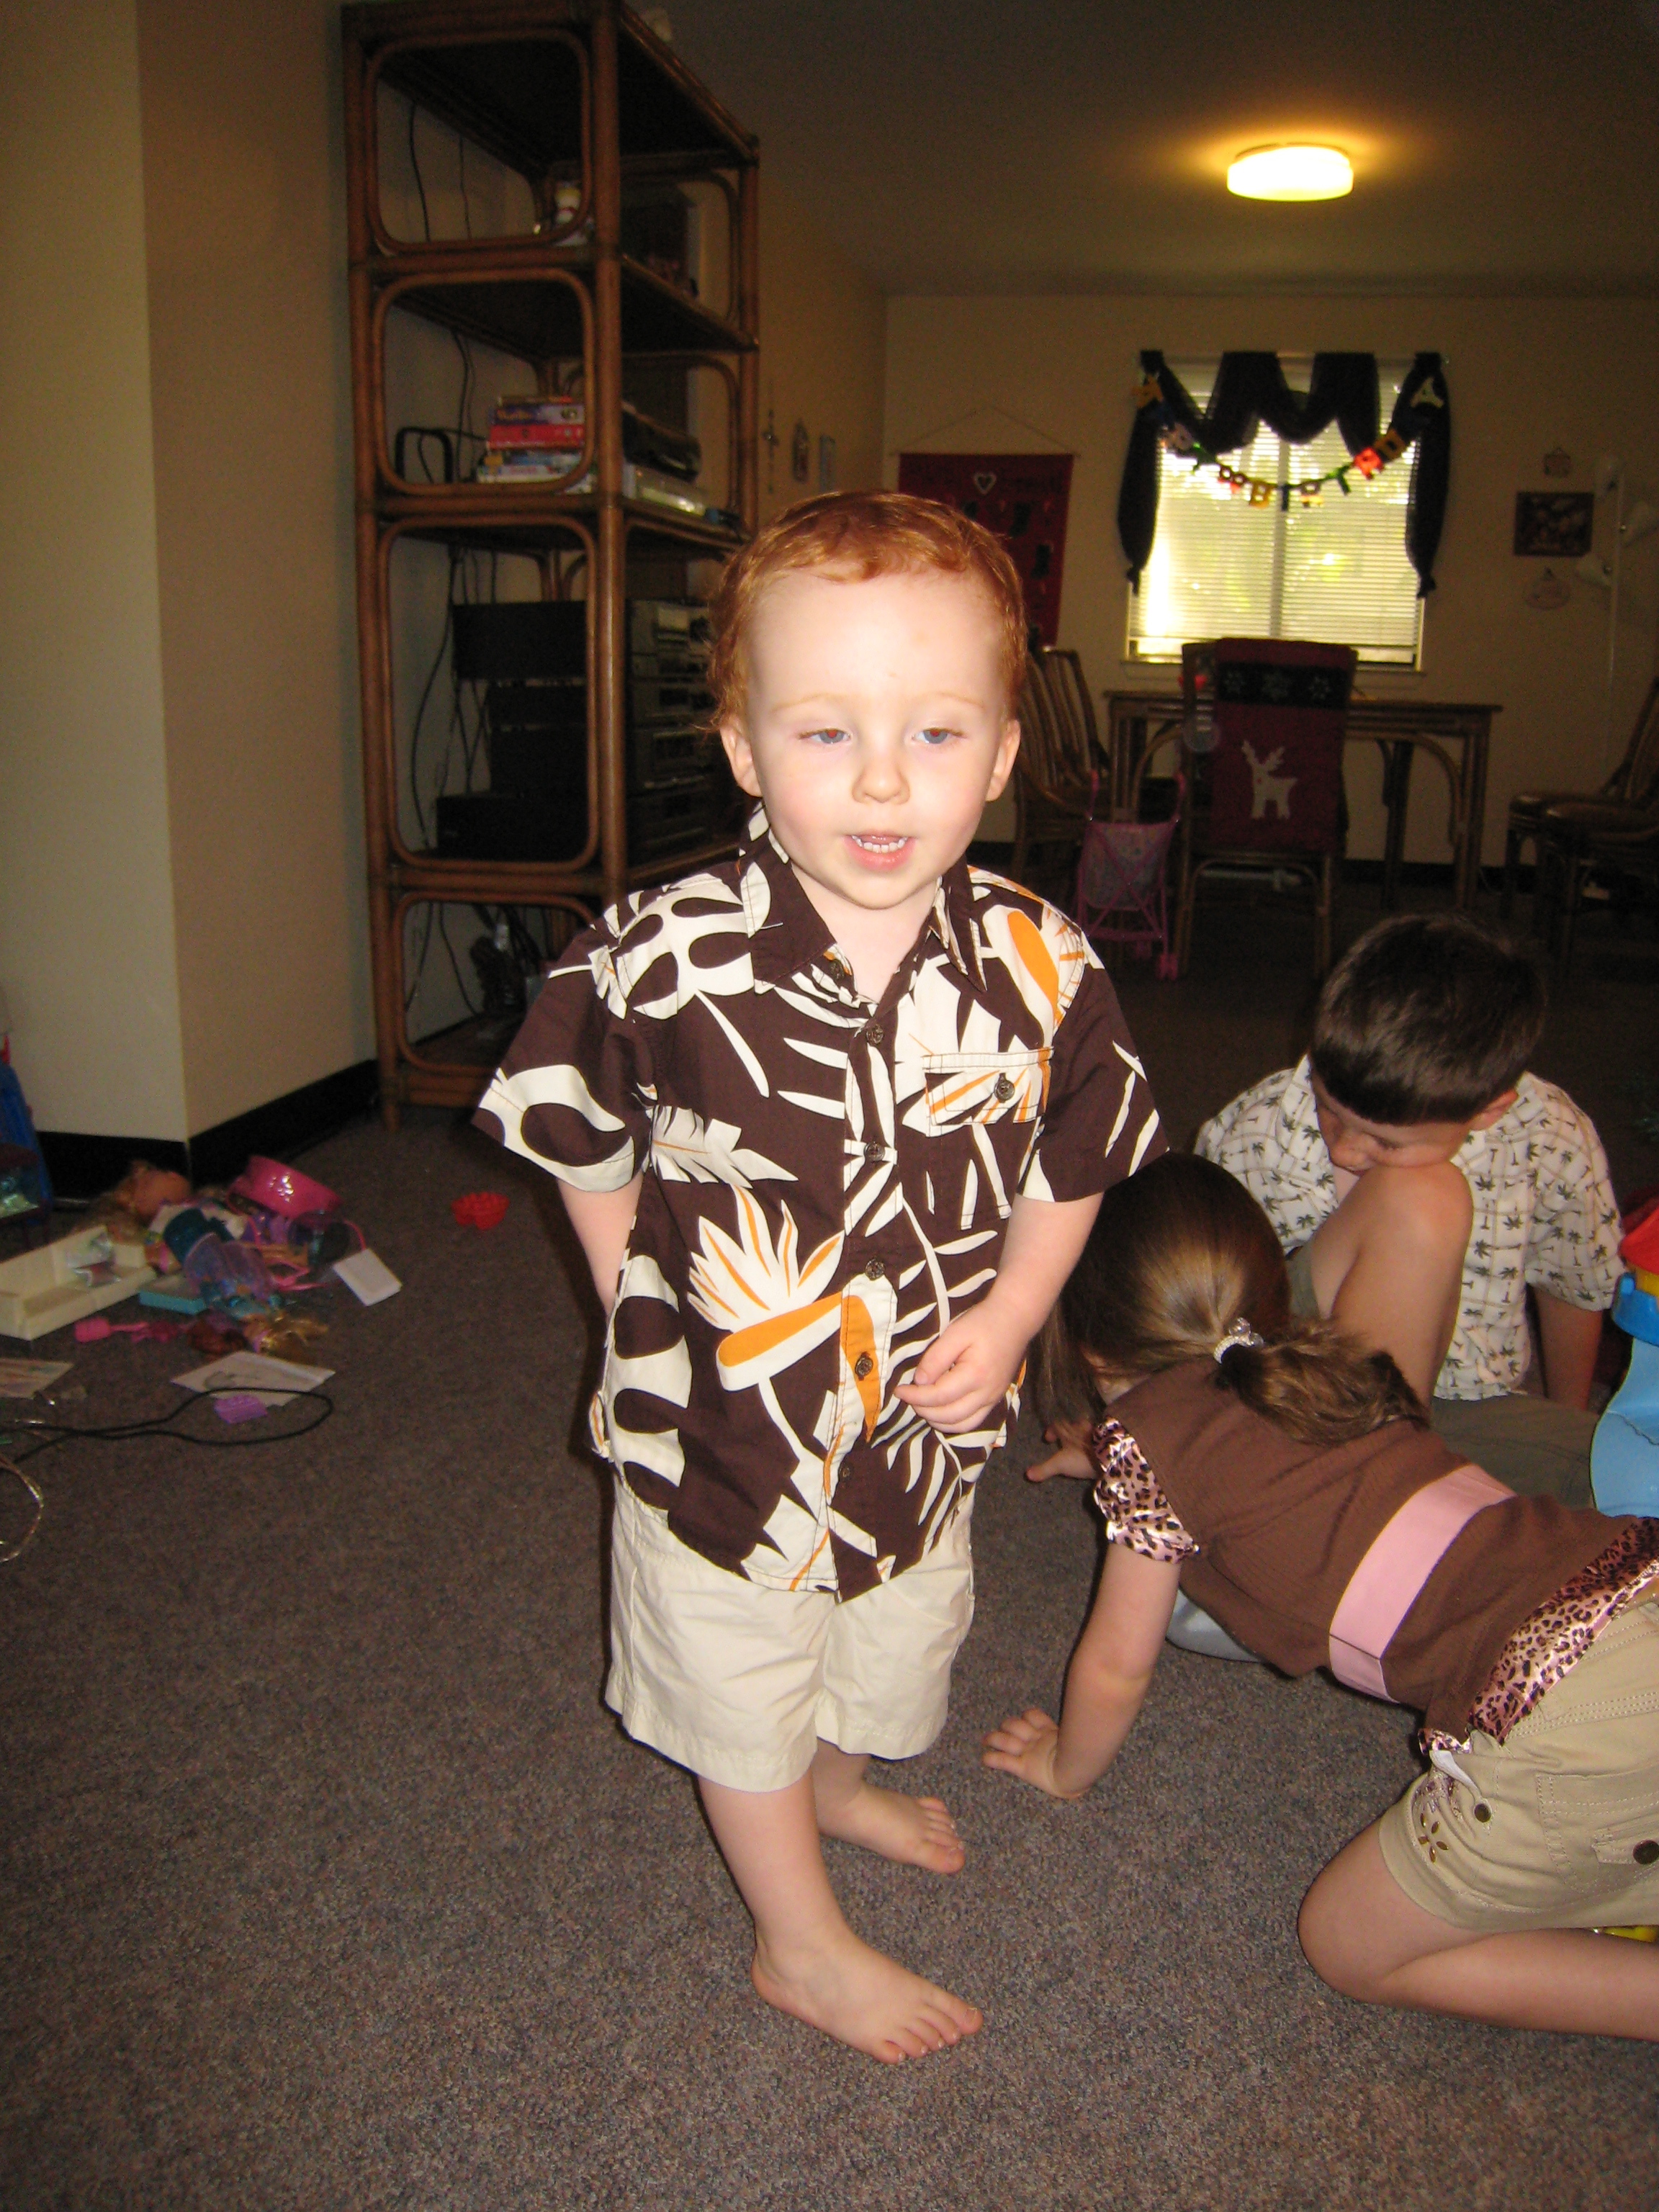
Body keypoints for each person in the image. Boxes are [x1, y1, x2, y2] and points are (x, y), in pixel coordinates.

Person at [474, 492, 1162, 2063]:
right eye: (824, 730)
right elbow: (578, 1131)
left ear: (1001, 755)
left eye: (934, 733)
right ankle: (796, 1941)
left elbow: (1074, 1158)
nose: (879, 779)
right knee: (738, 1678)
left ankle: (835, 1784)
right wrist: (630, 1298)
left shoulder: (1046, 963)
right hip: (722, 1430)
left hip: (918, 1428)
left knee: (888, 1639)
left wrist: (1014, 1312)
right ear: (741, 747)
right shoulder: (654, 951)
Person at [985, 1152, 1659, 2040]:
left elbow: (1117, 1667)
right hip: (1630, 1578)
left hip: (1570, 1723)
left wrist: (1063, 1767)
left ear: (1087, 1344)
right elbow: (1247, 1464)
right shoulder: (1328, 1362)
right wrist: (1119, 1461)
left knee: (1347, 1943)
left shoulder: (1145, 1450)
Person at [1196, 912, 1623, 1507]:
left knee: (1627, 1473)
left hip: (1464, 1409)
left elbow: (1571, 1286)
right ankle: (1361, 1504)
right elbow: (1192, 1286)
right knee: (1423, 1197)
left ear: (1489, 1110)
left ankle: (1407, 1502)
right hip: (1300, 1388)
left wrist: (1565, 1415)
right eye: (1328, 1109)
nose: (1345, 1150)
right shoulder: (1259, 1127)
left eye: (1385, 1142)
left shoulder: (1553, 1136)